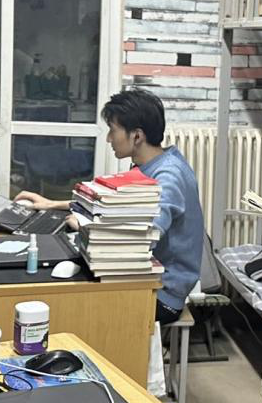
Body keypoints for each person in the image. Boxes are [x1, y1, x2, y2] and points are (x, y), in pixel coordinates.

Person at [17, 87, 204, 324]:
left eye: (113, 130)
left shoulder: (167, 178)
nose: (108, 138)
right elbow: (114, 206)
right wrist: (52, 204)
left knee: (66, 303)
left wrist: (86, 227)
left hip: (160, 294)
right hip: (143, 280)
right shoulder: (153, 163)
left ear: (137, 136)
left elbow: (139, 241)